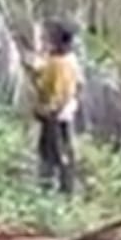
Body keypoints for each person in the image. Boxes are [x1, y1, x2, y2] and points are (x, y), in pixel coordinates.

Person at [21, 18, 84, 194]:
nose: (47, 39)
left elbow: (58, 93)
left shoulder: (60, 63)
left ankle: (57, 188)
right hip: (62, 112)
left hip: (55, 115)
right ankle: (61, 187)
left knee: (54, 152)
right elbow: (76, 83)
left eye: (50, 36)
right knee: (59, 149)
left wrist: (48, 110)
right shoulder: (65, 59)